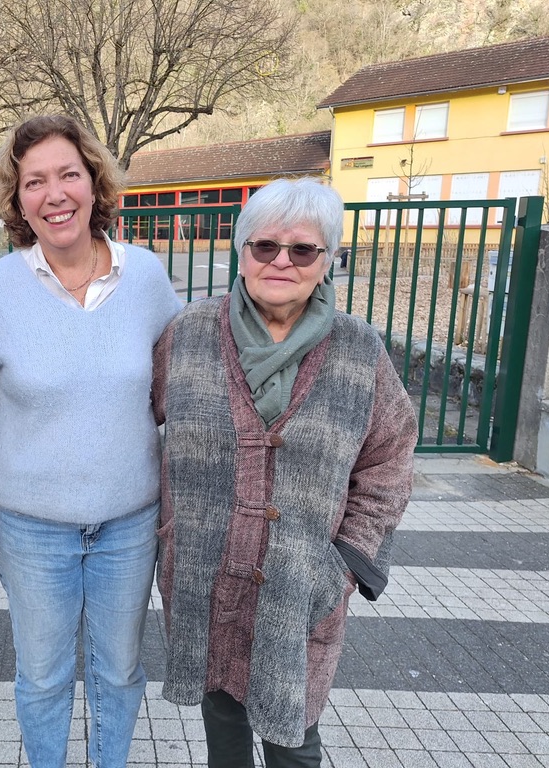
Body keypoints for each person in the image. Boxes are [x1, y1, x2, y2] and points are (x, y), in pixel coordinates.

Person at [153, 177, 417, 768]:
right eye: (264, 246)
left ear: (327, 262)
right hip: (205, 575)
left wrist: (348, 560)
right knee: (221, 716)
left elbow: (390, 457)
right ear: (241, 252)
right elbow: (133, 425)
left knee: (292, 731)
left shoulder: (358, 351)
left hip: (302, 580)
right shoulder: (189, 333)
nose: (281, 262)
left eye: (303, 250)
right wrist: (163, 530)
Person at [0, 114, 182, 767]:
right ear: (19, 199)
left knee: (119, 671)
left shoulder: (145, 277)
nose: (54, 194)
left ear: (93, 182)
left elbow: (176, 387)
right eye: (34, 182)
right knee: (45, 675)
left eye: (67, 175)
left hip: (129, 521)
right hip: (32, 529)